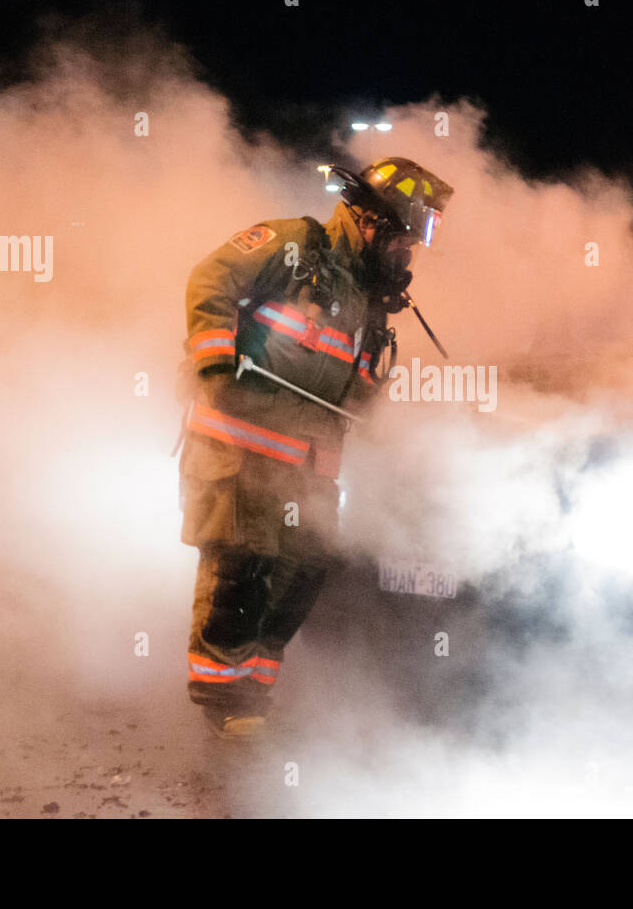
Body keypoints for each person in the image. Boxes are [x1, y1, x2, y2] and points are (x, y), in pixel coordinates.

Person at [179, 157, 453, 738]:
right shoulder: (293, 247)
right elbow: (210, 279)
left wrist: (374, 401)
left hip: (308, 468)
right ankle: (223, 703)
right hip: (240, 450)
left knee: (302, 573)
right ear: (373, 222)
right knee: (241, 567)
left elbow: (354, 386)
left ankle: (254, 691)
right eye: (406, 236)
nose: (409, 252)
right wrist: (216, 365)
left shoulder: (368, 300)